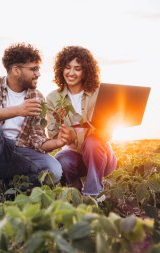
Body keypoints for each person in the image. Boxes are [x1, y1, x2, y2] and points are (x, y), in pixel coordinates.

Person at [0, 43, 72, 208]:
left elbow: (37, 139)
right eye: (33, 69)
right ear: (16, 70)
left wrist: (57, 143)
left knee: (54, 170)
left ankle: (13, 188)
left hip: (18, 151)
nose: (38, 74)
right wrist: (18, 110)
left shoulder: (37, 96)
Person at [46, 46, 117, 196]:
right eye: (67, 67)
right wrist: (63, 133)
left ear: (85, 71)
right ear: (61, 69)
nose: (71, 73)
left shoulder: (99, 93)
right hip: (75, 157)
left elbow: (106, 135)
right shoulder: (53, 98)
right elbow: (52, 134)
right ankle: (76, 194)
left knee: (92, 142)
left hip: (100, 156)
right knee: (61, 159)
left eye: (77, 68)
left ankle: (92, 194)